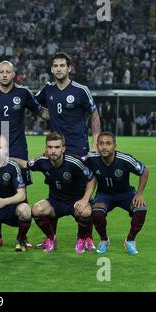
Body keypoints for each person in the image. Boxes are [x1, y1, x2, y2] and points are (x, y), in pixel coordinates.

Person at [34, 52, 101, 247]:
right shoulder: (48, 90)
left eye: (62, 65)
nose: (59, 69)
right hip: (56, 148)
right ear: (52, 69)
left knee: (82, 190)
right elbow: (35, 106)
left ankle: (87, 237)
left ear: (69, 68)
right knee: (55, 188)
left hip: (78, 148)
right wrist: (50, 115)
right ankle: (51, 238)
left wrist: (95, 142)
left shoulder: (81, 90)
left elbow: (94, 114)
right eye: (55, 66)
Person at [0, 60, 47, 247]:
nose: (4, 75)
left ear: (13, 74)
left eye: (7, 72)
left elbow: (41, 112)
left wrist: (64, 119)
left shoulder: (23, 93)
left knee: (22, 191)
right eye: (1, 72)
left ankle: (22, 237)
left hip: (18, 149)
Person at [13, 132, 96, 253]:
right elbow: (25, 164)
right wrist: (6, 158)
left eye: (57, 147)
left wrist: (85, 200)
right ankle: (51, 238)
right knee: (36, 210)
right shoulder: (42, 161)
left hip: (75, 201)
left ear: (63, 148)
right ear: (46, 148)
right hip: (55, 202)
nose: (53, 151)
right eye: (50, 147)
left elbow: (92, 178)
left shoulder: (74, 162)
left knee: (86, 211)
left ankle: (80, 239)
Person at [86, 132, 149, 254]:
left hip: (125, 194)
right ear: (97, 145)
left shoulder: (125, 159)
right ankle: (104, 240)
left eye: (108, 143)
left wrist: (139, 194)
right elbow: (75, 161)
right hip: (104, 195)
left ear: (115, 146)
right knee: (97, 213)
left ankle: (130, 240)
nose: (104, 147)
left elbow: (145, 171)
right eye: (101, 144)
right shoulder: (91, 159)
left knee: (141, 208)